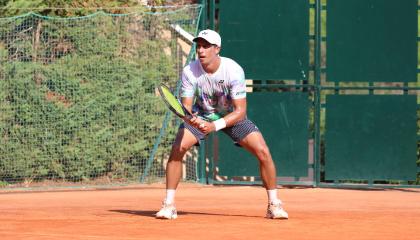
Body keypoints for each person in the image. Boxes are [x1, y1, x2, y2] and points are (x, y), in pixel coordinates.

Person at [155, 29, 288, 220]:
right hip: (201, 115)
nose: (201, 50)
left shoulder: (233, 70)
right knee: (178, 147)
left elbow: (240, 111)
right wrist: (193, 119)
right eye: (198, 46)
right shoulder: (190, 71)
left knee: (263, 151)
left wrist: (215, 125)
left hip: (232, 117)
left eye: (206, 46)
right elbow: (185, 107)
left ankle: (274, 205)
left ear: (217, 49)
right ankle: (169, 205)